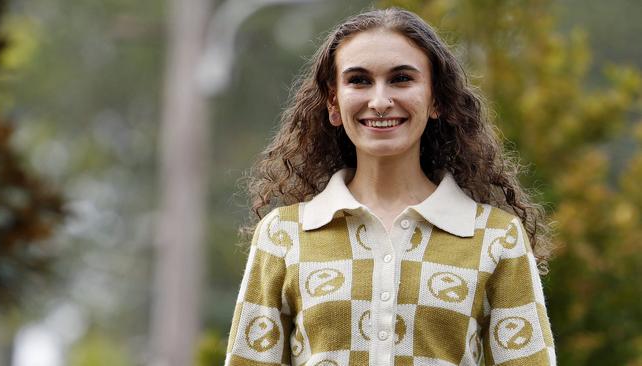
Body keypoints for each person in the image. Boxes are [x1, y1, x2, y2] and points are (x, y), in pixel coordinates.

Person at [225, 7, 556, 366]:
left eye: (401, 79)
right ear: (333, 103)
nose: (380, 101)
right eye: (359, 80)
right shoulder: (282, 236)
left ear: (436, 100)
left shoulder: (497, 238)